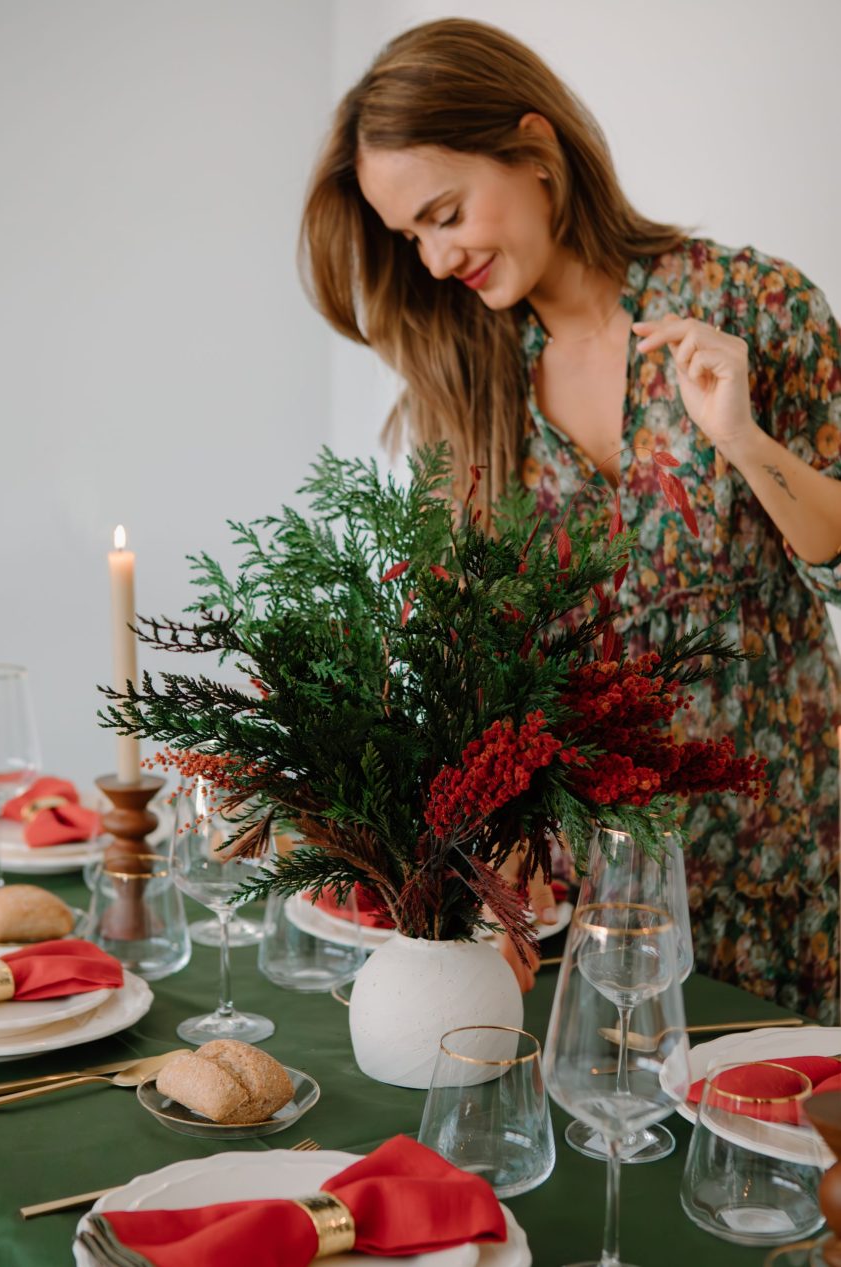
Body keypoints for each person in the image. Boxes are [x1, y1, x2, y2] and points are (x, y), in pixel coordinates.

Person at [299, 17, 841, 1021]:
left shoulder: (749, 304)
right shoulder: (465, 392)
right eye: (410, 235)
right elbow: (470, 665)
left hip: (787, 880)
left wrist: (742, 441)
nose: (432, 257)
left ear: (536, 149)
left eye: (445, 212)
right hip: (587, 919)